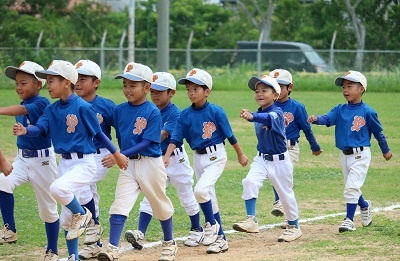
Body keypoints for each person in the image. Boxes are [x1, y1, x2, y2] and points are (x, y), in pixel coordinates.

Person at [13, 60, 128, 261]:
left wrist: (117, 154)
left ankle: (83, 214)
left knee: (57, 189)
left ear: (67, 82)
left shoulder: (83, 107)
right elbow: (40, 128)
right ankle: (74, 256)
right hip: (64, 163)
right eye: (47, 81)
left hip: (84, 162)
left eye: (51, 81)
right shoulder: (51, 109)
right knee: (67, 220)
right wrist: (25, 130)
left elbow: (99, 134)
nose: (48, 86)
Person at [97, 62, 178, 261]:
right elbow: (101, 128)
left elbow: (148, 141)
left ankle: (169, 244)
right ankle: (112, 248)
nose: (127, 90)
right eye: (125, 85)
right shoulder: (119, 110)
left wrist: (118, 154)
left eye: (133, 85)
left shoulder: (152, 111)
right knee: (120, 204)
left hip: (150, 162)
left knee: (159, 204)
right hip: (127, 164)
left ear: (147, 87)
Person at [163, 68, 248, 254]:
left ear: (207, 91)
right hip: (198, 157)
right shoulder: (185, 114)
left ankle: (211, 224)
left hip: (216, 156)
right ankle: (221, 240)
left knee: (200, 191)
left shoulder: (217, 112)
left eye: (196, 89)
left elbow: (230, 136)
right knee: (210, 198)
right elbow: (176, 137)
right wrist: (167, 156)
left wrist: (240, 155)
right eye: (188, 89)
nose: (191, 93)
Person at [124, 72, 202, 249]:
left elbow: (162, 135)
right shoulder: (148, 110)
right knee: (151, 196)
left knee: (185, 195)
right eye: (153, 90)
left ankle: (197, 228)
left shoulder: (175, 113)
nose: (155, 95)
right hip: (156, 159)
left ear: (171, 93)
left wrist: (136, 145)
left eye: (160, 91)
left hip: (176, 159)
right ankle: (140, 233)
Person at [307, 70, 392, 233]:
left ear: (361, 89)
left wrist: (385, 150)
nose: (345, 90)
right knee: (351, 186)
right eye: (343, 87)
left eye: (350, 86)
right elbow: (328, 119)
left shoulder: (368, 111)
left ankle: (349, 220)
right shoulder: (339, 109)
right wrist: (317, 119)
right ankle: (365, 206)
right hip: (344, 155)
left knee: (351, 187)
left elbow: (378, 132)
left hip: (361, 154)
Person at [0, 61, 60, 260]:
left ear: (38, 85)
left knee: (48, 209)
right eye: (17, 83)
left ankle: (52, 250)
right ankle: (10, 229)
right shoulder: (24, 103)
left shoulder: (42, 103)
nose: (18, 87)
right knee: (3, 181)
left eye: (24, 82)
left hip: (43, 162)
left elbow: (23, 112)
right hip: (23, 158)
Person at [232, 75, 302, 242]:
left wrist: (252, 116)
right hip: (262, 159)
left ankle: (294, 226)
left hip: (280, 161)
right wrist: (252, 115)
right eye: (257, 91)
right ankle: (251, 221)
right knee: (249, 182)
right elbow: (260, 116)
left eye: (265, 90)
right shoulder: (259, 113)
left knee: (285, 195)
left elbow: (268, 118)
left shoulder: (277, 113)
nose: (259, 94)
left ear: (276, 95)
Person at [72, 60, 117, 260]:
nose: (78, 83)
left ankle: (93, 227)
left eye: (83, 79)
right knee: (88, 191)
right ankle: (94, 244)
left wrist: (118, 154)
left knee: (81, 186)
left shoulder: (106, 106)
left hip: (100, 156)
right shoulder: (70, 103)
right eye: (75, 79)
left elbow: (122, 130)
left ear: (96, 82)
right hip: (78, 155)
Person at [269, 68, 323, 222]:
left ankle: (279, 202)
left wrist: (315, 147)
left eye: (280, 86)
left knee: (281, 175)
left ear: (290, 87)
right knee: (276, 176)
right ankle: (290, 218)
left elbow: (307, 129)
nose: (277, 90)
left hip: (290, 148)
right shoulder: (269, 106)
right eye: (273, 86)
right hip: (273, 147)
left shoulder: (297, 107)